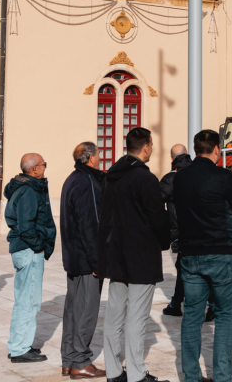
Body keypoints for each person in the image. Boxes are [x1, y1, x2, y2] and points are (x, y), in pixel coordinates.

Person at [173, 129, 232, 382]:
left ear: (196, 149)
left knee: (192, 316)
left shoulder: (180, 177)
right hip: (221, 253)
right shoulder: (224, 176)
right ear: (217, 149)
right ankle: (222, 377)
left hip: (190, 254)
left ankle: (192, 377)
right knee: (226, 317)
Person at [97, 127, 171, 382]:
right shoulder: (144, 178)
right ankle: (137, 375)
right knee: (136, 317)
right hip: (140, 255)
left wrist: (102, 254)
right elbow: (157, 217)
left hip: (116, 253)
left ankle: (114, 370)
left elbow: (104, 218)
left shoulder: (112, 175)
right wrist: (165, 241)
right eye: (152, 144)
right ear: (146, 146)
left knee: (115, 315)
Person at [59, 143, 106, 379]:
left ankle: (69, 360)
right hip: (86, 260)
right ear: (90, 158)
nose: (100, 159)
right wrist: (98, 263)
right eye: (98, 155)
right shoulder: (87, 182)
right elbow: (91, 226)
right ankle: (80, 362)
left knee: (74, 311)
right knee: (86, 311)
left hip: (74, 257)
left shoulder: (72, 179)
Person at [5, 153, 56, 364]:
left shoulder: (27, 187)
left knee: (26, 300)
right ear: (34, 169)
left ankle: (21, 343)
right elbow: (27, 227)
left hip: (25, 249)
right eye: (44, 164)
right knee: (28, 302)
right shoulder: (28, 190)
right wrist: (38, 246)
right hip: (28, 250)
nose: (45, 167)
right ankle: (19, 349)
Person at [161, 143, 213, 322]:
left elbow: (155, 201)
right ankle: (177, 303)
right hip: (204, 229)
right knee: (193, 267)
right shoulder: (200, 173)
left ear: (171, 158)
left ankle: (206, 303)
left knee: (186, 268)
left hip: (183, 231)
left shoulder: (171, 178)